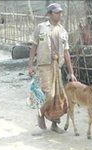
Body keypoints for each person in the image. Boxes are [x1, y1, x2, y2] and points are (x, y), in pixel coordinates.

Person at [28, 3, 77, 133]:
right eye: (56, 13)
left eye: (60, 12)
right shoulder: (41, 28)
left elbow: (66, 53)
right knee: (49, 95)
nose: (59, 15)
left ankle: (55, 124)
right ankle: (40, 113)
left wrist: (71, 73)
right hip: (44, 66)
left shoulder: (63, 31)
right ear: (49, 14)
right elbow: (33, 47)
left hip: (57, 67)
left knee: (59, 97)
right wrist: (30, 65)